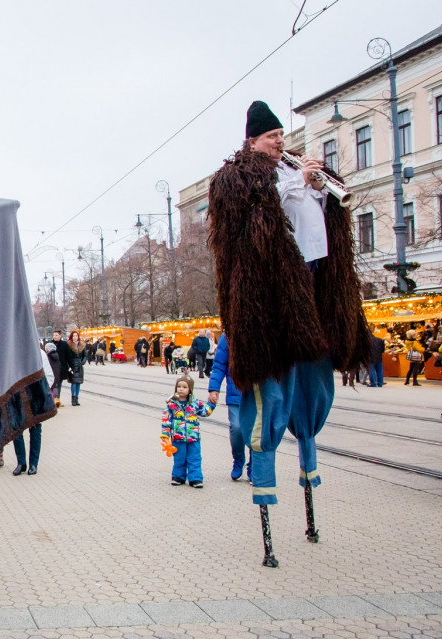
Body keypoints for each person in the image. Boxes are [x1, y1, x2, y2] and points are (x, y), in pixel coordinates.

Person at [208, 100, 371, 567]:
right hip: (275, 302)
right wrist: (295, 184)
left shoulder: (295, 171)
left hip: (316, 289)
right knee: (271, 403)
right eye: (272, 136)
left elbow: (325, 218)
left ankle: (309, 482)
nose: (282, 141)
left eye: (282, 134)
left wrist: (320, 189)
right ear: (253, 140)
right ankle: (264, 500)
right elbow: (249, 225)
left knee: (312, 394)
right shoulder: (239, 178)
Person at [207, 333, 249, 481]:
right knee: (237, 428)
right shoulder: (228, 336)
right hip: (235, 391)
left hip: (256, 393)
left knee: (256, 430)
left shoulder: (261, 328)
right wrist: (214, 388)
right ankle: (238, 459)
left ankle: (255, 464)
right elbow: (219, 365)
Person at [162, 375, 216, 487]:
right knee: (179, 458)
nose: (181, 389)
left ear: (190, 390)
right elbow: (166, 419)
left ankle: (195, 478)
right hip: (178, 437)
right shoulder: (171, 404)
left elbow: (205, 412)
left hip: (193, 437)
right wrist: (165, 434)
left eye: (184, 387)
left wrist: (212, 404)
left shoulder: (195, 403)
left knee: (194, 458)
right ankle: (178, 477)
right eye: (179, 386)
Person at [50, 330, 71, 404]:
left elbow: (68, 356)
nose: (54, 337)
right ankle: (54, 398)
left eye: (56, 335)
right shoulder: (50, 344)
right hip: (52, 367)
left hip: (62, 368)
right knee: (53, 384)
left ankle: (57, 398)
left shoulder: (64, 344)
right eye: (54, 335)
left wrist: (71, 367)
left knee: (59, 384)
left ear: (60, 336)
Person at [66, 330, 86, 406]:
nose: (75, 337)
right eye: (74, 336)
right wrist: (69, 367)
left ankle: (77, 398)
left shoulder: (82, 345)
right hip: (73, 365)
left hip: (79, 366)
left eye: (76, 336)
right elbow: (67, 357)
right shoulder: (69, 345)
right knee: (74, 383)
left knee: (78, 383)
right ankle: (73, 398)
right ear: (71, 337)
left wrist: (82, 362)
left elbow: (84, 355)